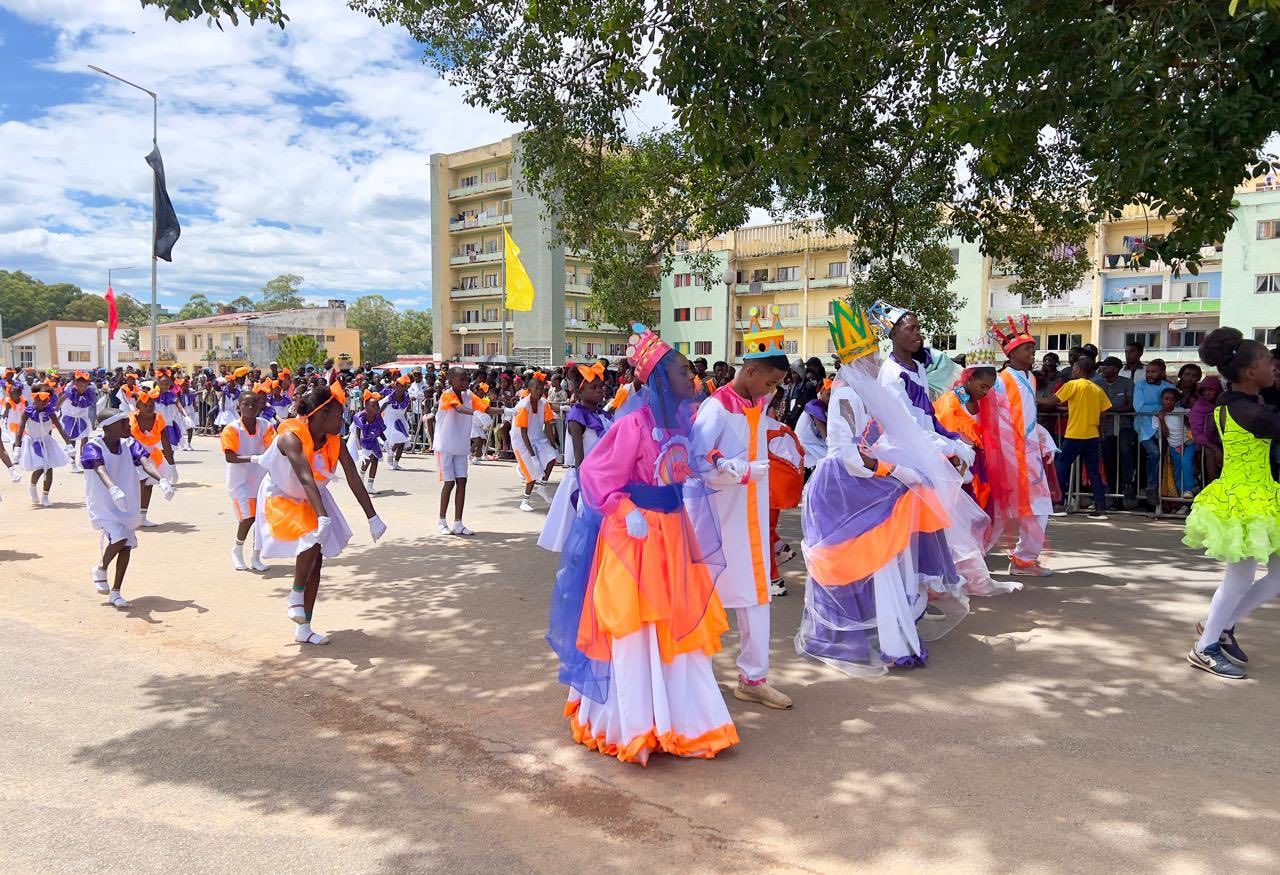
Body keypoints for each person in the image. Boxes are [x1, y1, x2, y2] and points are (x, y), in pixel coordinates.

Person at [546, 323, 738, 763]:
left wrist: (722, 463)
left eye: (691, 372)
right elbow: (595, 474)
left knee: (676, 623)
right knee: (637, 625)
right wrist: (624, 510)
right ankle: (634, 723)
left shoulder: (684, 421)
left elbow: (689, 464)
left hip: (673, 534)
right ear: (658, 379)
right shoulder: (633, 423)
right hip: (635, 539)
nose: (692, 380)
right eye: (683, 373)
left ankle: (686, 720)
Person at [796, 301, 968, 675]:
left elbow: (878, 440)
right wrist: (897, 470)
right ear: (856, 358)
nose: (876, 360)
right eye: (870, 354)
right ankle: (882, 636)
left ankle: (895, 632)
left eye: (874, 352)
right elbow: (848, 455)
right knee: (866, 563)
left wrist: (903, 467)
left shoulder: (864, 388)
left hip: (869, 483)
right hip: (847, 489)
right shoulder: (847, 391)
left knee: (888, 559)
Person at [691, 306, 794, 710]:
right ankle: (691, 673)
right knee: (704, 598)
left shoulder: (758, 404)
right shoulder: (715, 408)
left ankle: (753, 678)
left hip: (752, 520)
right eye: (769, 382)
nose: (771, 392)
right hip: (718, 520)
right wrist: (740, 473)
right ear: (750, 371)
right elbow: (695, 466)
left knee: (757, 597)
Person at [256, 382, 385, 646]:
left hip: (313, 496)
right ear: (322, 415)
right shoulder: (291, 436)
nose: (343, 419)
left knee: (317, 560)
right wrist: (323, 517)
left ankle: (305, 627)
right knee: (312, 541)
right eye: (339, 414)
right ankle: (295, 594)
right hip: (284, 495)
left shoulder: (335, 441)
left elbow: (352, 477)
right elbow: (304, 477)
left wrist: (372, 516)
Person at [1184, 327, 1280, 680]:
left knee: (1276, 573)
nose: (1275, 366)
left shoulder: (1235, 402)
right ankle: (1205, 647)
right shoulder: (1246, 410)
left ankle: (1219, 625)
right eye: (1269, 361)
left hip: (1254, 496)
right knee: (1239, 577)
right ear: (1250, 372)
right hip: (1244, 501)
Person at [987, 315, 1058, 576]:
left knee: (1037, 509)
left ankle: (1023, 560)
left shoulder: (1031, 378)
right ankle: (966, 560)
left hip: (1028, 457)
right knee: (998, 512)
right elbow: (995, 420)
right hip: (1009, 458)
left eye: (1033, 347)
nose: (1033, 351)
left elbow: (1028, 419)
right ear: (1013, 352)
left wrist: (1043, 440)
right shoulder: (1001, 380)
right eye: (1028, 348)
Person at [83, 411, 171, 608]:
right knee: (120, 537)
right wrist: (113, 489)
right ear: (108, 427)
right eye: (123, 423)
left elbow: (145, 461)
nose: (129, 426)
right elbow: (99, 468)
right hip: (104, 505)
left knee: (126, 546)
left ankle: (115, 592)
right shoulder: (92, 446)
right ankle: (100, 568)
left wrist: (161, 479)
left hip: (126, 504)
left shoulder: (130, 444)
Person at [539, 362, 611, 552]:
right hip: (583, 480)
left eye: (600, 386)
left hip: (601, 478)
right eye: (593, 387)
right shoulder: (577, 415)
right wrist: (585, 487)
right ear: (579, 392)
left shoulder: (601, 414)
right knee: (578, 538)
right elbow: (580, 458)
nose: (599, 390)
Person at [221, 391, 276, 571]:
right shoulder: (232, 429)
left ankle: (255, 557)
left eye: (254, 404)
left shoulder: (266, 426)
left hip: (260, 481)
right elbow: (230, 457)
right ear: (238, 407)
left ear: (260, 406)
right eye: (246, 404)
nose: (250, 407)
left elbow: (272, 448)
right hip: (239, 482)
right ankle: (237, 550)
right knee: (248, 517)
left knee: (261, 519)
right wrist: (255, 458)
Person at [1054, 356, 1112, 520]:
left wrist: (1033, 398)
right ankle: (1101, 509)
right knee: (1093, 471)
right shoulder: (1097, 388)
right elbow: (1104, 412)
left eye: (1073, 368)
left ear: (1079, 369)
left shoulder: (1072, 384)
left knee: (1062, 465)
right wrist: (1100, 432)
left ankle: (1058, 504)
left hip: (1075, 433)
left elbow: (1053, 400)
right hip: (1092, 434)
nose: (1072, 371)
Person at [434, 366, 484, 536]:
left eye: (467, 379)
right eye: (462, 379)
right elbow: (459, 408)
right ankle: (441, 521)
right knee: (449, 483)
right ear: (451, 380)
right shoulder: (447, 395)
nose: (466, 382)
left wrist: (508, 411)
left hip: (461, 447)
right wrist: (476, 413)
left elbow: (485, 407)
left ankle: (458, 523)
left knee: (462, 482)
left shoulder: (469, 395)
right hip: (445, 446)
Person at [15, 386, 73, 506]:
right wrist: (17, 447)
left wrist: (68, 444)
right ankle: (32, 486)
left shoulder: (50, 412)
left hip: (46, 441)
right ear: (34, 399)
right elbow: (20, 430)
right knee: (41, 467)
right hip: (32, 441)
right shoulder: (28, 412)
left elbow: (60, 427)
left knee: (49, 467)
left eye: (45, 401)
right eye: (39, 400)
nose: (42, 403)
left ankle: (45, 496)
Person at [1094, 356, 1137, 511]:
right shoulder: (1097, 384)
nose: (1102, 369)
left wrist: (1108, 410)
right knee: (1109, 460)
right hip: (1104, 428)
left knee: (1125, 450)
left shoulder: (1127, 383)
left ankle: (1128, 485)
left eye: (1106, 366)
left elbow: (1130, 406)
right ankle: (1113, 495)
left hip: (1125, 426)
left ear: (1116, 369)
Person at [513, 373, 560, 512]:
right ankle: (525, 500)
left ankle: (543, 487)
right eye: (537, 389)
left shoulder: (544, 403)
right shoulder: (523, 406)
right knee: (532, 474)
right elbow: (523, 433)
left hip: (538, 438)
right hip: (522, 441)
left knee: (552, 458)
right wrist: (533, 456)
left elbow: (548, 424)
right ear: (530, 389)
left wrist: (554, 445)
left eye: (542, 389)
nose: (540, 392)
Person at [130, 388, 177, 527]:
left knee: (149, 485)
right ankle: (131, 515)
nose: (150, 408)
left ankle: (142, 517)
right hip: (134, 453)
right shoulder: (132, 419)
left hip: (152, 454)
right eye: (146, 405)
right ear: (138, 406)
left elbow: (165, 441)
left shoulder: (158, 419)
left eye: (152, 405)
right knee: (138, 484)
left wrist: (172, 465)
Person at [1134, 360, 1176, 507]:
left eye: (1154, 371)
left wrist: (1161, 410)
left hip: (1164, 427)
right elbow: (1139, 407)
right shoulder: (1140, 385)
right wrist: (1160, 408)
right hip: (1144, 428)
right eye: (1148, 371)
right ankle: (1151, 487)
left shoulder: (1170, 387)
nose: (1150, 374)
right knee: (1154, 453)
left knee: (1163, 458)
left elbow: (1172, 406)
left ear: (1162, 372)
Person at [1156, 387, 1195, 503]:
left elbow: (1191, 422)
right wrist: (1162, 419)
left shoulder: (1181, 410)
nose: (1169, 402)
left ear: (1176, 401)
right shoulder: (1158, 414)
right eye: (1166, 399)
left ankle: (1189, 489)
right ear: (1161, 400)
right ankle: (1182, 497)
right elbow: (1165, 434)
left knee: (1186, 463)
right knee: (1177, 471)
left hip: (1188, 443)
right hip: (1174, 446)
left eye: (1172, 399)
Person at [347, 390, 388, 495]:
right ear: (366, 405)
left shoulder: (378, 417)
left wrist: (386, 441)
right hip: (362, 441)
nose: (377, 407)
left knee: (375, 460)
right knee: (367, 460)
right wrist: (360, 451)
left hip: (373, 440)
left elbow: (380, 431)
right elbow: (357, 435)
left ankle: (370, 486)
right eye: (373, 405)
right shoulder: (359, 417)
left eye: (377, 405)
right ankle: (360, 482)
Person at [57, 370, 97, 472]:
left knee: (85, 439)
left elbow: (91, 405)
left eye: (85, 386)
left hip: (82, 419)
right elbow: (61, 399)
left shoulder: (89, 393)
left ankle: (82, 460)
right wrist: (56, 409)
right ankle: (73, 463)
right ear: (76, 384)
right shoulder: (70, 392)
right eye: (80, 386)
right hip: (70, 418)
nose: (82, 388)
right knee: (72, 442)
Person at [1190, 376, 1223, 485]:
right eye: (1204, 390)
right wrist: (1215, 448)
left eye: (1210, 390)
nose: (1207, 393)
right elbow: (1197, 433)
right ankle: (1213, 485)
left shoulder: (1224, 403)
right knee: (1210, 452)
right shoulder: (1198, 407)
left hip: (1224, 440)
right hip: (1206, 444)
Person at [795, 378, 830, 479]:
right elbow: (825, 435)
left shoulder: (823, 407)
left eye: (833, 395)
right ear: (822, 391)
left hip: (811, 444)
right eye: (828, 394)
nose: (830, 398)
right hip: (806, 445)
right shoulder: (814, 405)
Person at [380, 376, 413, 470]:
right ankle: (391, 452)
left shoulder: (406, 397)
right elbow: (380, 409)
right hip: (390, 421)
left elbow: (406, 409)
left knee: (402, 442)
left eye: (405, 386)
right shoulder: (389, 398)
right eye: (403, 386)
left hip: (400, 420)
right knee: (400, 440)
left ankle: (395, 463)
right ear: (397, 386)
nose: (405, 388)